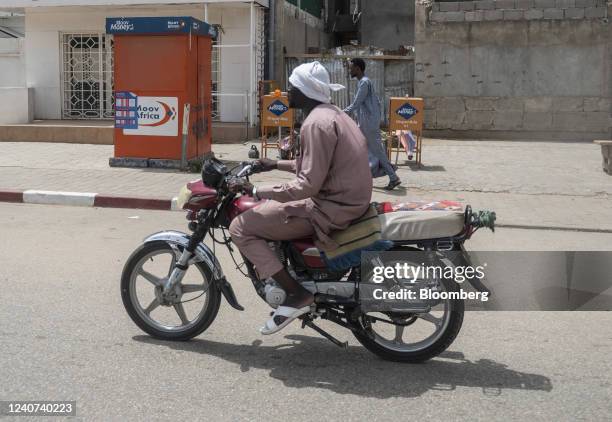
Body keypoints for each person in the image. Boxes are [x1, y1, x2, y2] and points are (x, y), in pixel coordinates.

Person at [228, 61, 373, 335]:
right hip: (346, 201)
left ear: (306, 90)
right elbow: (317, 166)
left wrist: (256, 190)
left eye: (292, 86)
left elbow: (307, 184)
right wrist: (273, 164)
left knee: (241, 227)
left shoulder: (314, 124)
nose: (287, 92)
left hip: (330, 208)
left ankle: (295, 294)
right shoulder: (333, 114)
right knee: (271, 207)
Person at [344, 58, 401, 190]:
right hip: (366, 123)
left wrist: (340, 113)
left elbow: (356, 103)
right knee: (361, 149)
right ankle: (362, 176)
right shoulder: (364, 82)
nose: (349, 70)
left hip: (368, 124)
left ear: (357, 68)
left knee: (377, 151)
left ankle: (393, 176)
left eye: (351, 67)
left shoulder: (364, 83)